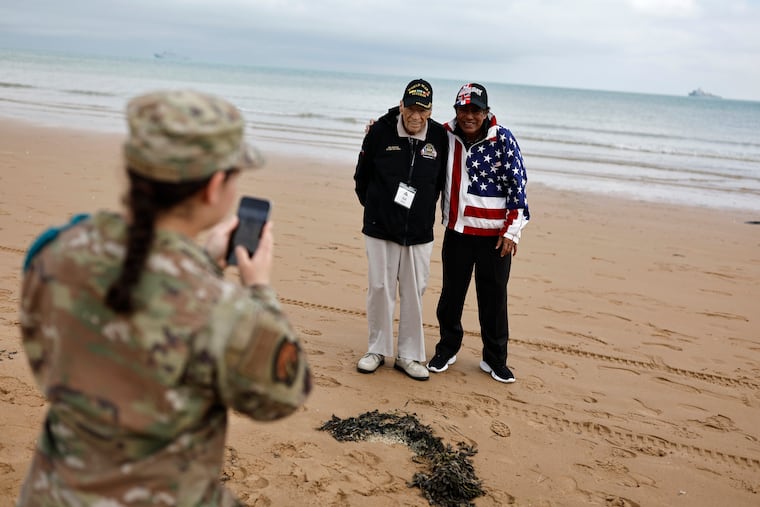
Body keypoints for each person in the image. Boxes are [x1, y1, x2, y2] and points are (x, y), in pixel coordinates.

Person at [17, 90, 312, 506]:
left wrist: (199, 264)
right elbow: (283, 395)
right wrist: (259, 289)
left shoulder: (55, 251)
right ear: (214, 187)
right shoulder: (222, 309)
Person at [426, 83, 530, 384]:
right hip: (457, 232)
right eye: (463, 109)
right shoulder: (444, 133)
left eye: (475, 110)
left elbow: (518, 186)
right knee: (450, 298)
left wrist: (512, 232)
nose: (468, 116)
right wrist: (374, 128)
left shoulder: (503, 139)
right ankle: (447, 348)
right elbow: (412, 125)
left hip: (495, 238)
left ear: (486, 112)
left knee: (494, 300)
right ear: (456, 110)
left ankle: (495, 359)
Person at [353, 79, 448, 381]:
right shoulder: (380, 131)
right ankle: (377, 350)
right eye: (410, 108)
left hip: (419, 231)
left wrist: (422, 213)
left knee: (414, 292)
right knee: (380, 288)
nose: (415, 116)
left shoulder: (440, 137)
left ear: (430, 111)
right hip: (380, 227)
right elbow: (362, 177)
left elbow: (441, 183)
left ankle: (409, 355)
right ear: (401, 105)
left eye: (422, 110)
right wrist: (378, 209)